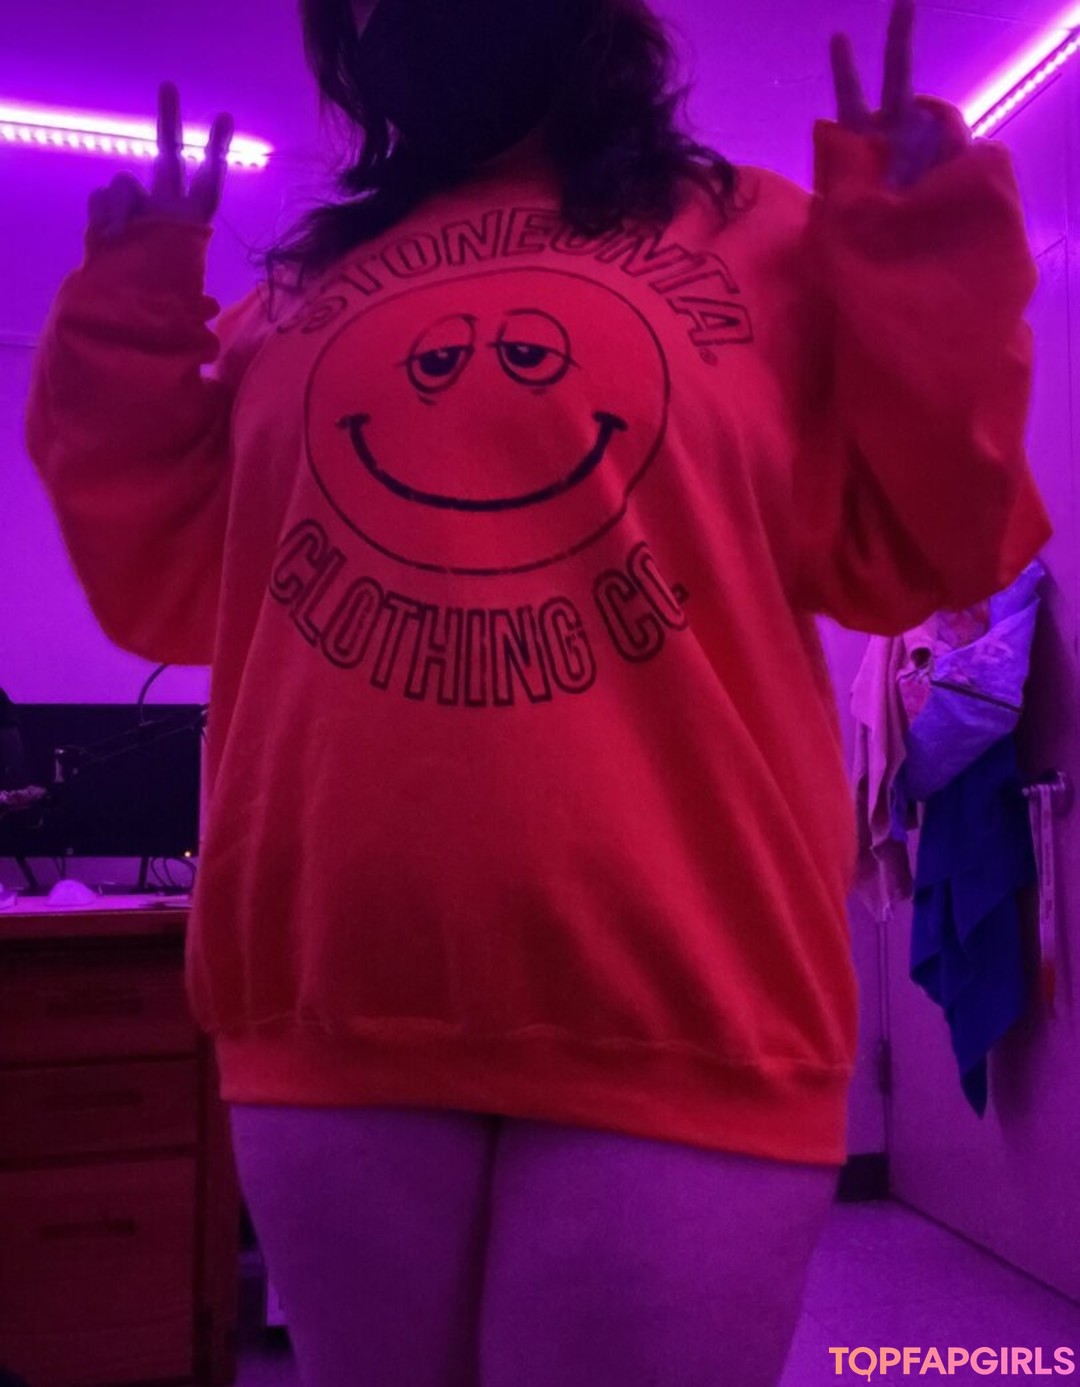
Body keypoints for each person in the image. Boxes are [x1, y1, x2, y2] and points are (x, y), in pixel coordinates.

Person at [25, 0, 1052, 1383]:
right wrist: (131, 318)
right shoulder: (300, 290)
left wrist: (925, 256)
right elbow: (165, 587)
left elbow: (933, 546)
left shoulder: (759, 235)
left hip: (684, 992)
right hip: (333, 993)